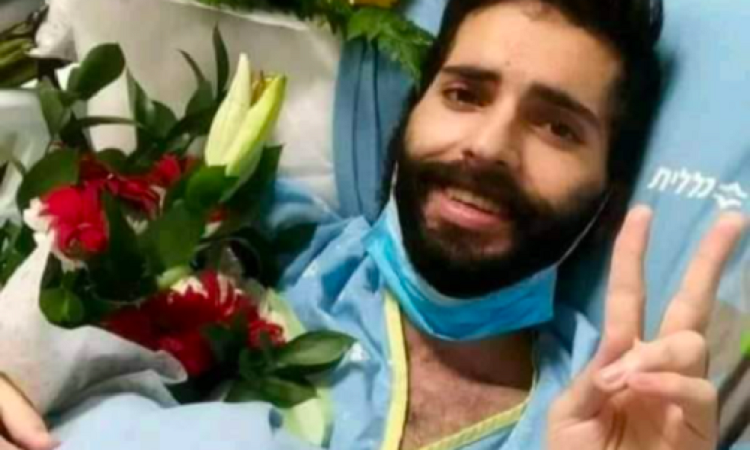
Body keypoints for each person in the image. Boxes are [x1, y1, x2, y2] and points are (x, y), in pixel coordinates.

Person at [0, 0, 745, 449]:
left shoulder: (614, 420)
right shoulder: (251, 235)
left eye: (557, 127)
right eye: (465, 94)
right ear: (409, 115)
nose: (488, 146)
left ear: (608, 200)